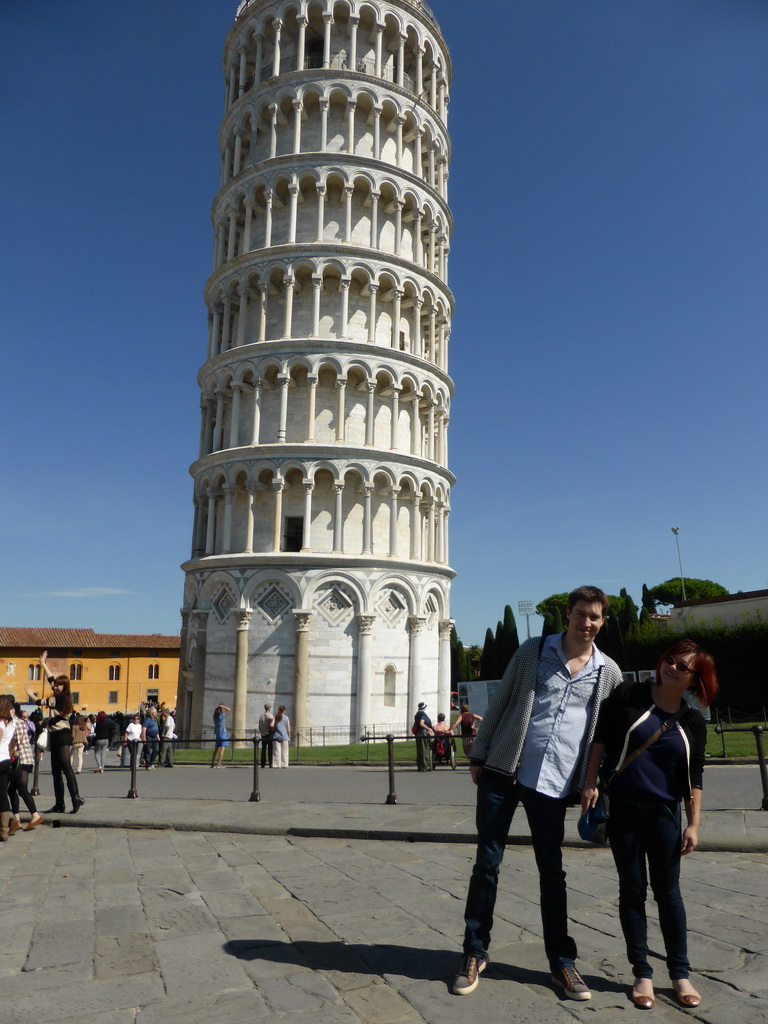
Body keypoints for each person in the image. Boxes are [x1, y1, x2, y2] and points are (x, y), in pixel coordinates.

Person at [454, 586, 623, 1000]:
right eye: (581, 614)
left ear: (603, 622)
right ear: (567, 614)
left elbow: (607, 736)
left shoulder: (609, 672)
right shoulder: (533, 650)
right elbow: (503, 700)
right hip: (502, 771)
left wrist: (594, 781)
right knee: (486, 863)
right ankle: (474, 952)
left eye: (595, 617)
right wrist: (479, 754)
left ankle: (562, 963)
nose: (587, 623)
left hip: (553, 783)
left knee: (553, 870)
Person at [581, 639, 717, 1010]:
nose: (671, 667)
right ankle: (642, 973)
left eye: (682, 666)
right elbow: (601, 740)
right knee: (632, 891)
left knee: (669, 894)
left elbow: (695, 776)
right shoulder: (629, 693)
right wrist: (590, 782)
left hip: (666, 815)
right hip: (624, 810)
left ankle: (679, 973)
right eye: (669, 660)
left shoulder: (691, 722)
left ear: (694, 680)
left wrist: (694, 824)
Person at [25, 651, 84, 814]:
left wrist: (30, 695)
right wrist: (43, 663)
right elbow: (51, 680)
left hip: (62, 734)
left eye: (59, 685)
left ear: (65, 687)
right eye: (57, 685)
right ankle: (59, 804)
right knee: (56, 771)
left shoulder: (61, 697)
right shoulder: (60, 694)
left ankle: (76, 798)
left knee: (65, 767)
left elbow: (41, 701)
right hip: (55, 735)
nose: (56, 686)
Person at [7, 702, 43, 833]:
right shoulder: (19, 722)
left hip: (22, 760)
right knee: (12, 790)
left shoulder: (14, 723)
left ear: (12, 711)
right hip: (25, 759)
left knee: (21, 789)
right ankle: (16, 819)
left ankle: (35, 815)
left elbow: (11, 741)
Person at [0, 695, 17, 840]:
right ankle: (4, 830)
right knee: (2, 795)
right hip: (6, 759)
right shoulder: (12, 723)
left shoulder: (0, 723)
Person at [413, 702, 433, 771]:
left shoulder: (417, 714)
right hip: (423, 733)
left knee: (420, 750)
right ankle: (425, 766)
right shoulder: (422, 714)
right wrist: (428, 728)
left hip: (419, 733)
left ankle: (420, 765)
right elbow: (421, 723)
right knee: (424, 750)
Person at [258, 703, 275, 768]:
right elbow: (271, 725)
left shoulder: (261, 716)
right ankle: (270, 763)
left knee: (263, 749)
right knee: (270, 749)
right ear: (269, 708)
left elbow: (259, 726)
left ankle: (263, 763)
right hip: (269, 734)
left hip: (263, 734)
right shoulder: (270, 716)